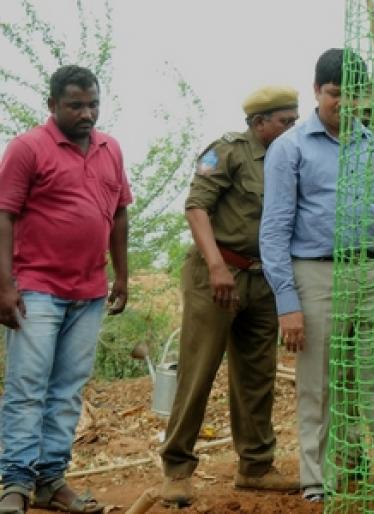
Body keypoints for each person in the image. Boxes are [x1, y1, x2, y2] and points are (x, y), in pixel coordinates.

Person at [259, 48, 374, 503]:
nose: (343, 103)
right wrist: (288, 303)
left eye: (353, 95)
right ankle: (317, 483)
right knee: (318, 385)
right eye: (334, 94)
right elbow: (275, 230)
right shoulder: (291, 148)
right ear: (317, 90)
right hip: (315, 275)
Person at [159, 86, 301, 506]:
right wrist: (217, 266)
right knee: (198, 371)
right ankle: (177, 468)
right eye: (285, 121)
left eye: (295, 120)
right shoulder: (228, 152)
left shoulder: (288, 157)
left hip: (265, 278)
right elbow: (196, 206)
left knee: (258, 376)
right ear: (260, 123)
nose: (292, 128)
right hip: (218, 275)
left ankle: (255, 466)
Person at [0, 64, 131, 514]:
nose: (87, 113)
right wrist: (3, 285)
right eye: (75, 105)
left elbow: (119, 214)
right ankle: (14, 483)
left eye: (93, 103)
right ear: (52, 104)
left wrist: (123, 275)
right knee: (27, 386)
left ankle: (50, 481)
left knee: (68, 389)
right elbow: (4, 215)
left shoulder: (110, 148)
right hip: (35, 286)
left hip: (90, 289)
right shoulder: (27, 148)